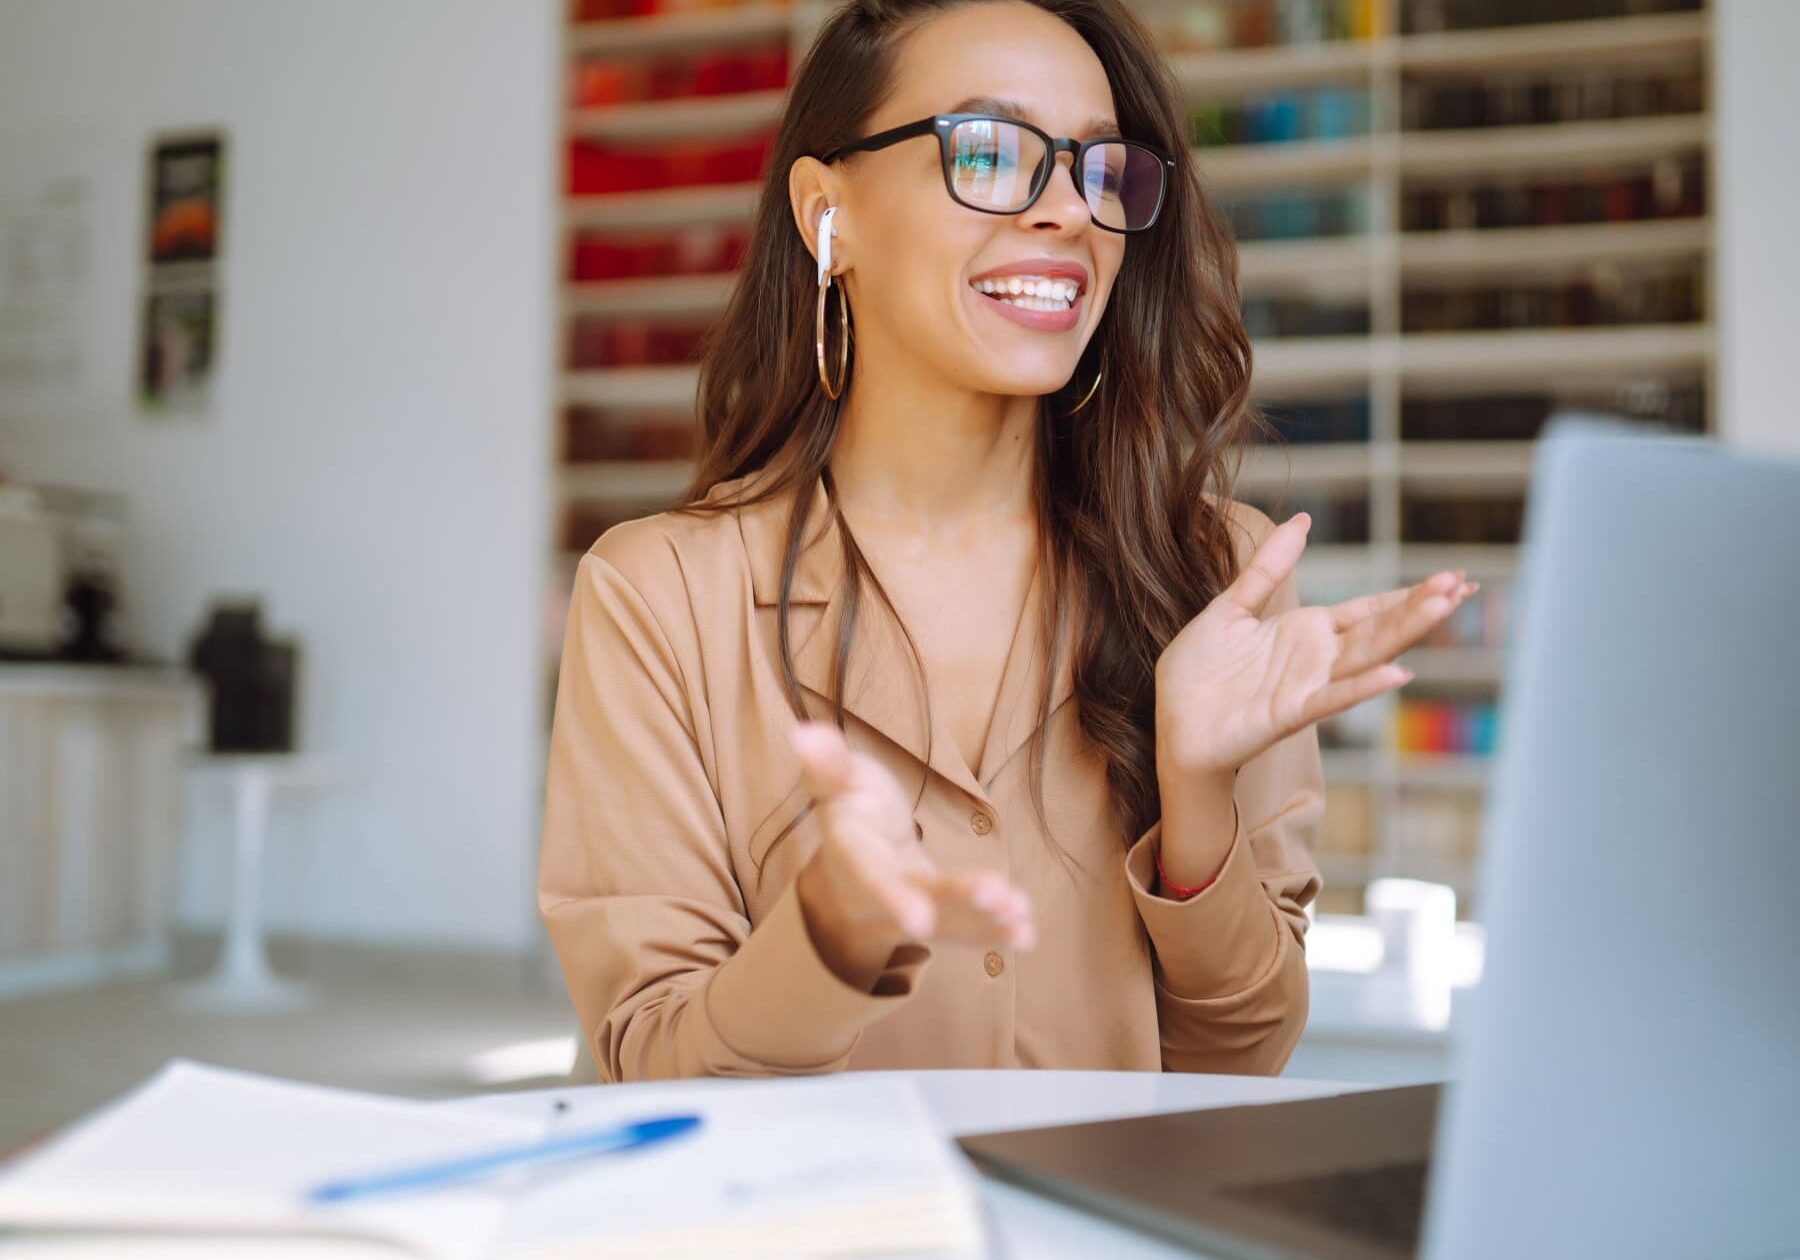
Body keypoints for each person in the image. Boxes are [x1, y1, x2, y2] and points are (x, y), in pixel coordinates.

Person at [538, 0, 1475, 1083]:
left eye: (1098, 169)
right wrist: (828, 943)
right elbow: (647, 1069)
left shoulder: (1215, 576)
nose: (1068, 213)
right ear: (825, 212)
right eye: (988, 152)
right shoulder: (658, 596)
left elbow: (1240, 1054)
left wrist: (1198, 805)